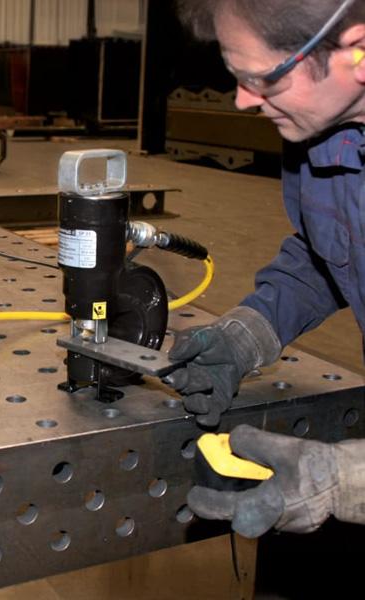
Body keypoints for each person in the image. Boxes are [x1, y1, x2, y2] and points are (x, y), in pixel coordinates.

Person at [166, 0, 365, 539]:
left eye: (261, 79)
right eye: (236, 76)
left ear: (357, 51)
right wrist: (252, 330)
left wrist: (347, 481)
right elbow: (332, 250)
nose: (243, 101)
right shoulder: (324, 137)